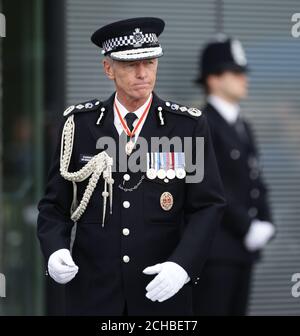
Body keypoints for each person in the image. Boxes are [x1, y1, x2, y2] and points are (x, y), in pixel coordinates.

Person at [37, 17, 225, 316]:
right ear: (108, 68)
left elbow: (207, 206)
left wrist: (183, 265)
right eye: (130, 64)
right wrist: (55, 250)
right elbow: (53, 206)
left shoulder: (186, 126)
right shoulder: (79, 125)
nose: (142, 73)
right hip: (93, 294)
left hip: (161, 293)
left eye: (149, 62)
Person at [193, 37, 275, 316]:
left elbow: (254, 178)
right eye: (236, 73)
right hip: (216, 252)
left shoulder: (243, 126)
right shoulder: (200, 124)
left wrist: (265, 220)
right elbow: (207, 184)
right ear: (213, 79)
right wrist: (247, 226)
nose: (244, 79)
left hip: (241, 251)